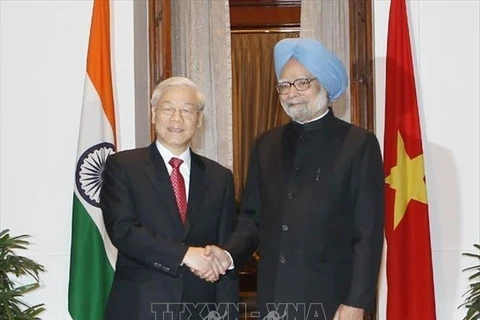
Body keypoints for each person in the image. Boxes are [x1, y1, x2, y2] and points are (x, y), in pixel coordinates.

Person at [207, 38, 385, 320]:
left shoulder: (358, 144)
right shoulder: (265, 145)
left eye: (302, 82)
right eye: (284, 85)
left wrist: (356, 302)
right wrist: (227, 255)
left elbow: (368, 234)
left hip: (332, 302)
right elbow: (252, 221)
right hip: (274, 300)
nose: (292, 93)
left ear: (324, 84)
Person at [100, 77, 238, 320]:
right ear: (154, 114)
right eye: (167, 108)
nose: (177, 118)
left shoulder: (220, 177)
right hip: (139, 307)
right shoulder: (123, 166)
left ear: (199, 119)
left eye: (187, 110)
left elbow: (223, 252)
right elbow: (123, 230)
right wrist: (184, 254)